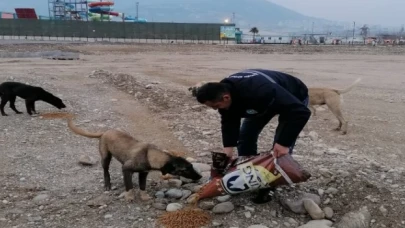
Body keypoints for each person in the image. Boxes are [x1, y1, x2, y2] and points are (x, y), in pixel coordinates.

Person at [196, 69, 311, 204]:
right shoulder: (224, 91)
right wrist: (228, 148)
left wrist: (284, 143)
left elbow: (301, 112)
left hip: (293, 97)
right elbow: (229, 120)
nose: (216, 109)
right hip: (258, 103)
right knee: (245, 136)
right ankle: (249, 172)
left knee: (280, 149)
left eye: (216, 106)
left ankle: (272, 182)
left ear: (226, 97)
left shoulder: (261, 90)